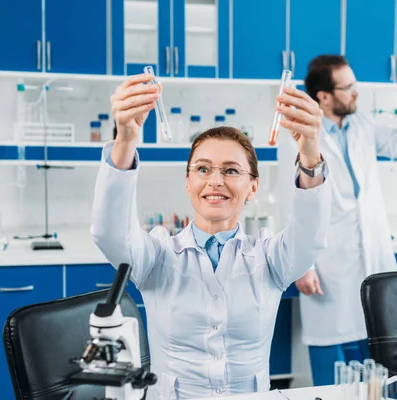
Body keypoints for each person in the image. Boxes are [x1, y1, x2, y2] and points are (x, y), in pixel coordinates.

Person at [91, 72, 331, 399]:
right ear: (187, 182)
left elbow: (311, 237)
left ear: (253, 187)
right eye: (202, 169)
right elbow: (110, 234)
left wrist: (310, 153)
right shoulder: (157, 256)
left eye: (231, 170)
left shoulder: (270, 257)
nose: (215, 180)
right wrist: (125, 140)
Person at [277, 55, 397, 386]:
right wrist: (302, 265)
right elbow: (290, 203)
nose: (356, 93)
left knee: (375, 359)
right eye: (348, 88)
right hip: (329, 260)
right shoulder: (299, 137)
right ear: (324, 96)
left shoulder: (361, 125)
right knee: (332, 362)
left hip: (371, 255)